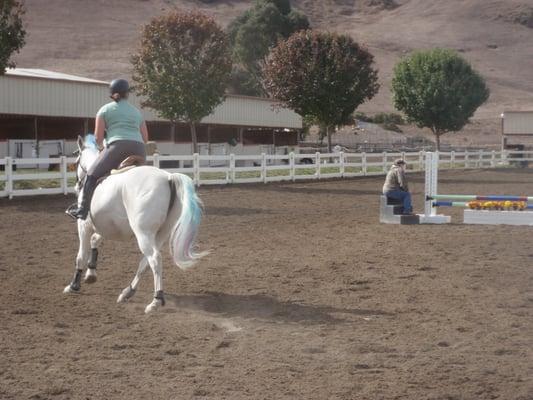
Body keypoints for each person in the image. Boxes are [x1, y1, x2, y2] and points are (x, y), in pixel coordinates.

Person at [67, 78, 149, 220]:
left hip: (117, 147)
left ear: (112, 93)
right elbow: (146, 139)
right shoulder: (137, 112)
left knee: (91, 174)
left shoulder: (105, 110)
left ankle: (82, 210)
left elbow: (98, 139)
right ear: (127, 94)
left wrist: (101, 149)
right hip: (139, 149)